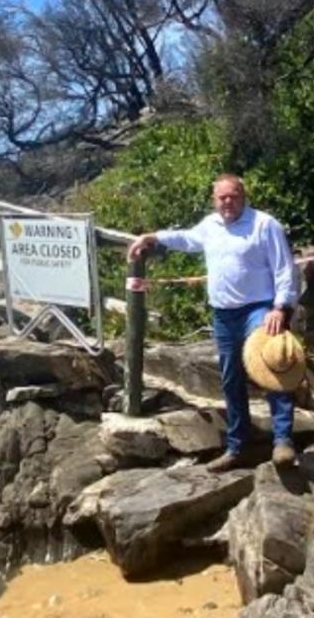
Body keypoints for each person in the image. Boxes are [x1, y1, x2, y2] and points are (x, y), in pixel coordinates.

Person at [128, 174, 299, 471]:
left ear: (243, 196)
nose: (227, 202)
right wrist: (152, 237)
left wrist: (280, 307)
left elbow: (285, 268)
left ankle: (283, 441)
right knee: (231, 379)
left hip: (259, 308)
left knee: (273, 367)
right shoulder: (211, 225)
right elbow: (186, 239)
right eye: (222, 198)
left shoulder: (264, 224)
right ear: (214, 200)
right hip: (223, 313)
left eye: (232, 196)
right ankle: (237, 447)